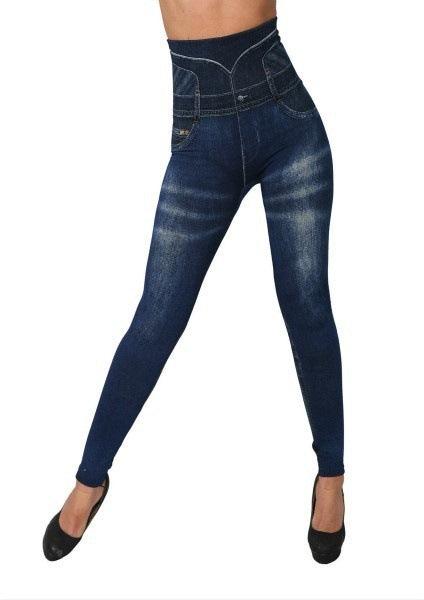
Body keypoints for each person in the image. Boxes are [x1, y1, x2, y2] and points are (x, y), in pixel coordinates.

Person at [43, 0, 345, 564]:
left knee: (307, 305)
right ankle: (90, 479)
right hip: (201, 133)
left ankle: (332, 474)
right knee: (156, 319)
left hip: (287, 116)